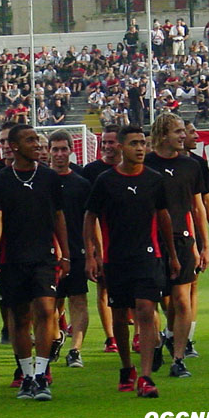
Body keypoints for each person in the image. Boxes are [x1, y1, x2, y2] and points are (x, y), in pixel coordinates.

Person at [85, 125, 181, 398]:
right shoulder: (105, 181)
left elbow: (163, 216)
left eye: (143, 143)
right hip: (115, 258)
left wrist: (172, 255)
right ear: (121, 148)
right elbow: (89, 216)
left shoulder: (154, 179)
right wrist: (92, 254)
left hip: (148, 256)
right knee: (119, 315)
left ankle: (146, 376)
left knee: (145, 308)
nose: (140, 148)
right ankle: (126, 367)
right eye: (135, 143)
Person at [0, 124, 70, 401]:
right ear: (14, 146)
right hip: (12, 258)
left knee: (46, 311)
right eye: (30, 140)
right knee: (19, 317)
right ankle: (26, 376)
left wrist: (66, 252)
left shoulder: (48, 177)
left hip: (44, 257)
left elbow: (59, 216)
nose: (38, 144)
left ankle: (42, 374)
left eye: (38, 139)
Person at [144, 113, 209, 378]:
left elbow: (197, 207)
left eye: (184, 131)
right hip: (151, 241)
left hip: (183, 239)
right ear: (163, 134)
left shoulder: (190, 166)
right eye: (178, 131)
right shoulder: (146, 164)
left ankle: (179, 357)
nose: (183, 136)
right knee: (155, 301)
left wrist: (203, 246)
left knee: (182, 300)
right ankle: (160, 340)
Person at [48, 130, 91, 368]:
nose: (60, 154)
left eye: (64, 149)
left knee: (78, 299)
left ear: (72, 150)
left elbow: (89, 220)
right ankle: (55, 337)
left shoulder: (82, 183)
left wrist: (93, 251)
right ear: (49, 152)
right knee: (49, 304)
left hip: (76, 251)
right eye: (55, 149)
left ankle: (76, 350)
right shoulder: (41, 180)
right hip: (47, 253)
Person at [181, 122, 209, 359]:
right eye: (190, 132)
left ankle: (187, 337)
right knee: (170, 293)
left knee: (192, 286)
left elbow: (205, 201)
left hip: (192, 231)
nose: (196, 136)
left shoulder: (198, 164)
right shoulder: (155, 163)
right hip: (167, 232)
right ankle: (171, 332)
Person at [81, 124, 120, 353]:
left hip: (127, 239)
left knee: (132, 290)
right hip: (101, 241)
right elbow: (88, 214)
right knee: (103, 288)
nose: (106, 146)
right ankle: (111, 337)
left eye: (111, 142)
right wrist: (94, 249)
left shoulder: (134, 169)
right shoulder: (91, 172)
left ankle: (135, 334)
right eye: (104, 142)